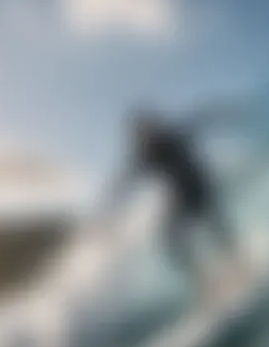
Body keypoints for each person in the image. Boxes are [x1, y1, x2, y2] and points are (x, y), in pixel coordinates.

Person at [101, 104, 245, 300]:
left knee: (216, 226)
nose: (147, 137)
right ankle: (207, 284)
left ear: (155, 126)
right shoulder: (144, 157)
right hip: (181, 197)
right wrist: (110, 214)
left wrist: (232, 112)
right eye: (141, 135)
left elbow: (204, 118)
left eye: (149, 130)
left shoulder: (174, 136)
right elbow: (123, 183)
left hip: (200, 186)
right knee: (170, 242)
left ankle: (241, 266)